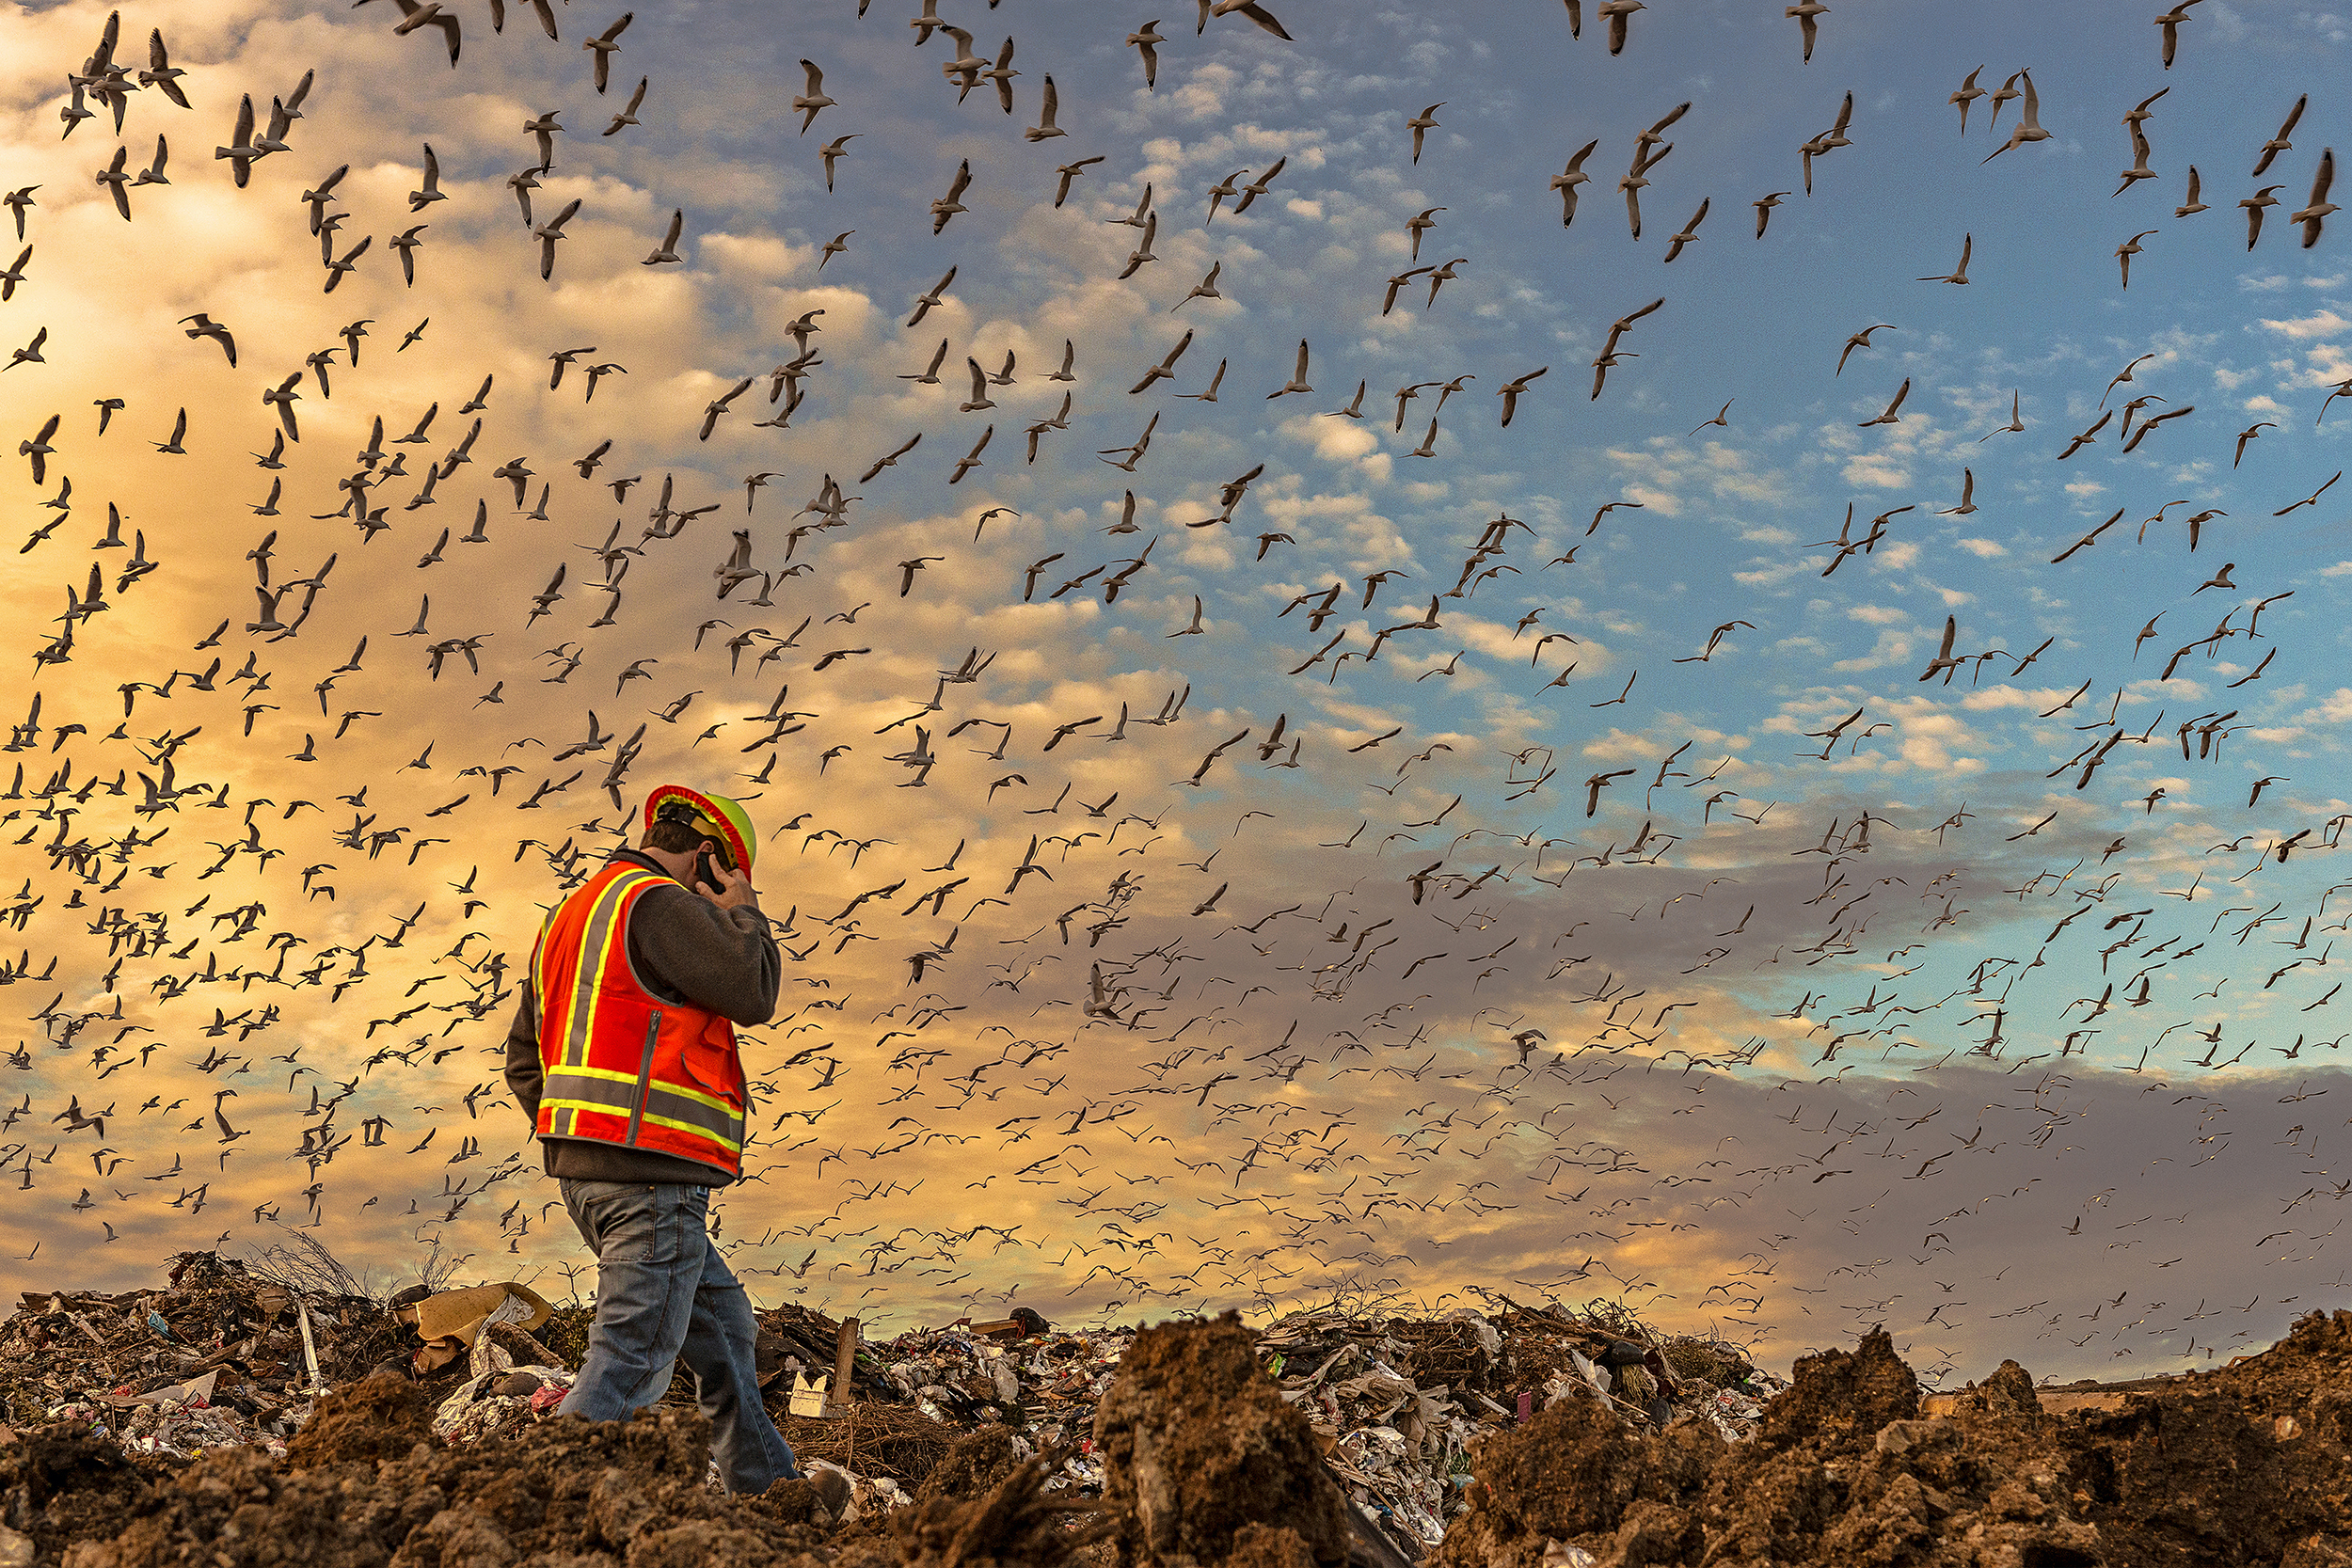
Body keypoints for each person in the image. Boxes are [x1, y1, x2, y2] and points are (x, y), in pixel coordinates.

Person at [503, 784, 799, 1494]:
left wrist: (586, 1138)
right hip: (650, 1180)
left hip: (593, 1177)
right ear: (709, 858)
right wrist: (744, 910)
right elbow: (754, 988)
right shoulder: (658, 903)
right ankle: (534, 1503)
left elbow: (523, 1061)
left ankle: (773, 1492)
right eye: (727, 876)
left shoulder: (572, 915)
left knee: (725, 1330)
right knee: (631, 1362)